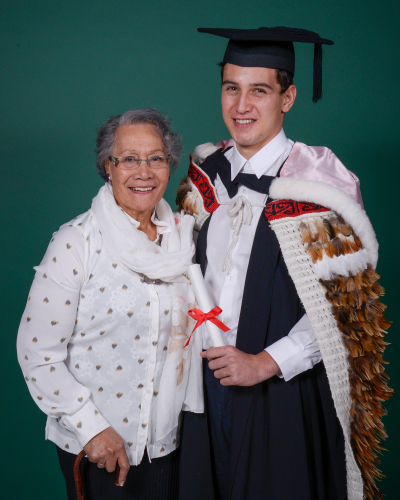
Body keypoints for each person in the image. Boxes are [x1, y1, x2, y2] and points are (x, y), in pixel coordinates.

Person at [176, 27, 392, 500]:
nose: (241, 106)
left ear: (287, 98)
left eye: (259, 90)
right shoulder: (205, 176)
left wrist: (265, 363)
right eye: (231, 88)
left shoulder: (318, 184)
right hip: (202, 390)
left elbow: (344, 311)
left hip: (283, 391)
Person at [17, 109, 203, 500]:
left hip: (168, 445)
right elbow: (37, 354)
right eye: (129, 159)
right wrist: (91, 429)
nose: (143, 172)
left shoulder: (184, 239)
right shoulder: (75, 242)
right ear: (108, 166)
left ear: (169, 165)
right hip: (98, 449)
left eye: (155, 158)